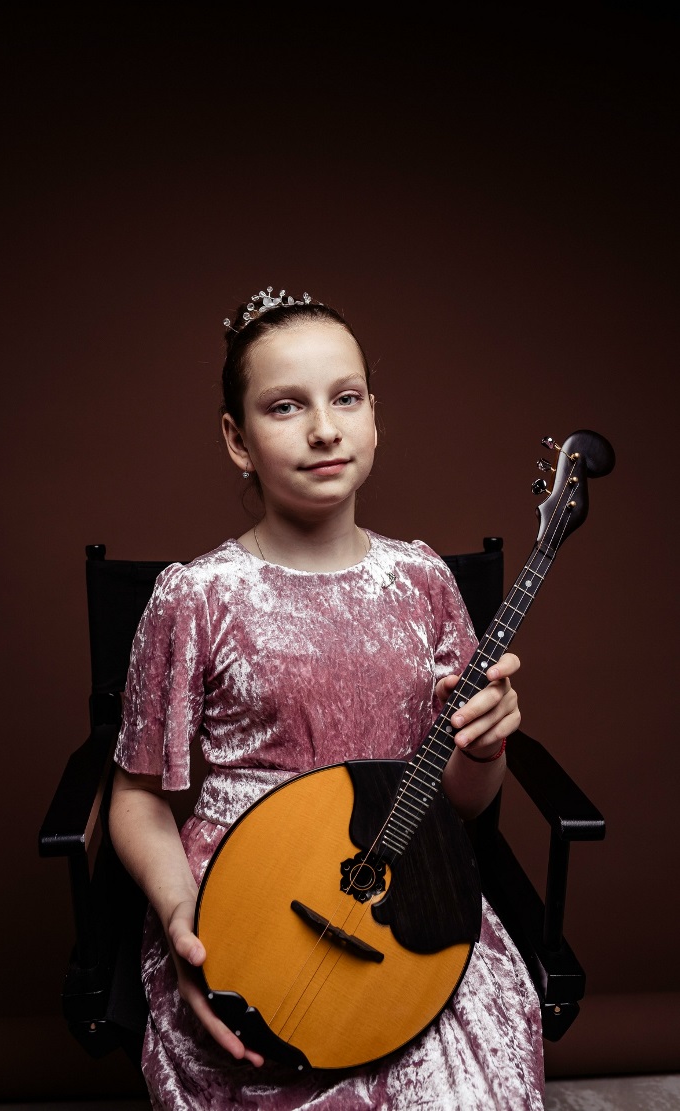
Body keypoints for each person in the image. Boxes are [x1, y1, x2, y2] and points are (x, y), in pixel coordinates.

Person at [109, 288, 545, 1110]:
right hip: (249, 895)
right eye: (285, 406)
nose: (323, 428)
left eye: (345, 398)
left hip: (397, 890)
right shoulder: (195, 596)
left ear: (374, 417)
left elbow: (458, 799)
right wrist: (181, 914)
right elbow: (134, 794)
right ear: (236, 439)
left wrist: (485, 748)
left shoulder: (422, 580)